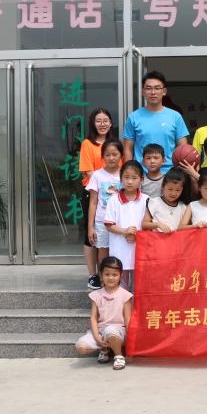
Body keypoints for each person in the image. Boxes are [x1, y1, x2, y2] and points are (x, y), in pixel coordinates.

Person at [78, 108, 119, 288]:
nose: (102, 124)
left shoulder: (116, 144)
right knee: (92, 235)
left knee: (110, 233)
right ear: (93, 123)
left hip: (114, 194)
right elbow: (88, 171)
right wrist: (105, 181)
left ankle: (109, 272)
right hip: (93, 193)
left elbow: (121, 170)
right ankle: (93, 275)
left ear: (111, 123)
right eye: (98, 121)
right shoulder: (87, 144)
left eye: (105, 120)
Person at [75, 255, 133, 371]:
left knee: (110, 330)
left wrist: (130, 340)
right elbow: (93, 318)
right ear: (101, 275)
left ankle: (119, 356)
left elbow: (128, 319)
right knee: (81, 346)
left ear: (121, 275)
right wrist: (97, 338)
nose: (111, 278)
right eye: (107, 274)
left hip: (118, 332)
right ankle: (104, 348)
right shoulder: (96, 295)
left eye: (114, 275)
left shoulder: (125, 295)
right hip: (101, 332)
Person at [122, 71, 189, 171]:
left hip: (169, 174)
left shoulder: (175, 116)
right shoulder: (133, 117)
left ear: (164, 91)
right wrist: (129, 172)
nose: (153, 92)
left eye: (157, 88)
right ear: (143, 91)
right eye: (148, 88)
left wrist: (180, 173)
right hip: (142, 174)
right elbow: (128, 149)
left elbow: (183, 149)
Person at [103, 160, 149, 292]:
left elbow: (149, 225)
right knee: (120, 284)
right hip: (119, 249)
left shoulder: (146, 200)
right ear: (121, 178)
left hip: (139, 248)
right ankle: (122, 305)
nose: (129, 182)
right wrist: (124, 231)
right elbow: (109, 225)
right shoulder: (113, 200)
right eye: (126, 177)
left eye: (134, 178)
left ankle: (135, 306)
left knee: (138, 285)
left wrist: (137, 235)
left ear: (141, 179)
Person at [85, 140, 123, 290]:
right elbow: (93, 202)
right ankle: (103, 280)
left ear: (121, 155)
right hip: (102, 222)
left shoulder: (125, 174)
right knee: (103, 251)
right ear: (102, 156)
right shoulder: (97, 175)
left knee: (120, 250)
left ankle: (119, 280)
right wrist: (91, 227)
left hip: (121, 221)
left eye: (115, 154)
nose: (111, 158)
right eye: (107, 155)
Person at [142, 167, 187, 233]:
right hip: (157, 238)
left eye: (178, 190)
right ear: (163, 186)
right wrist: (158, 224)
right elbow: (144, 224)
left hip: (177, 239)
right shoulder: (155, 202)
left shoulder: (183, 207)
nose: (173, 193)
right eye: (170, 189)